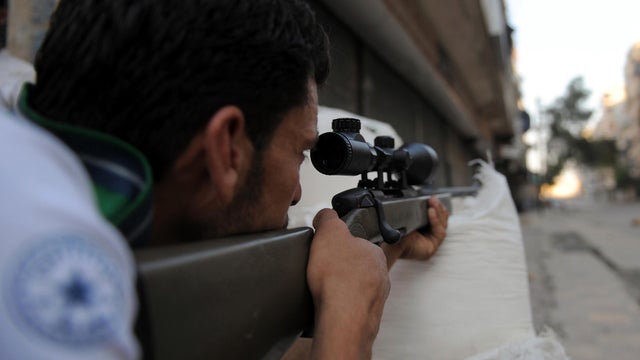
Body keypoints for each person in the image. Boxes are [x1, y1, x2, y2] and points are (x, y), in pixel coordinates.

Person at [3, 0, 449, 358]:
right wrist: (351, 330)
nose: (297, 192)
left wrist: (375, 260)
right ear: (226, 150)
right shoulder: (47, 261)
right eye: (299, 153)